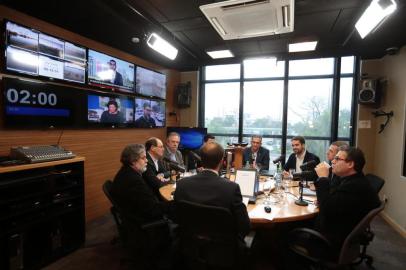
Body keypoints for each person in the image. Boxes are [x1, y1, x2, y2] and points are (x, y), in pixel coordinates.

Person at [110, 144, 172, 268]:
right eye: (143, 158)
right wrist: (175, 204)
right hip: (143, 223)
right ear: (133, 161)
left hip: (133, 218)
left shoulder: (126, 173)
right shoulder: (133, 181)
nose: (147, 160)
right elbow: (153, 210)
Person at [174, 141, 250, 238]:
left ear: (201, 160)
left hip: (188, 244)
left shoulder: (181, 184)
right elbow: (245, 227)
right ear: (222, 161)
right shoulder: (231, 188)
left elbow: (176, 217)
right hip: (223, 248)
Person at [314, 147, 380, 252]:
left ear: (350, 164)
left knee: (288, 229)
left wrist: (323, 178)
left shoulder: (355, 187)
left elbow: (326, 209)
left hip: (331, 240)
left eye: (337, 159)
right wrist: (325, 198)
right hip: (343, 229)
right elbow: (336, 199)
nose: (332, 161)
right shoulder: (354, 180)